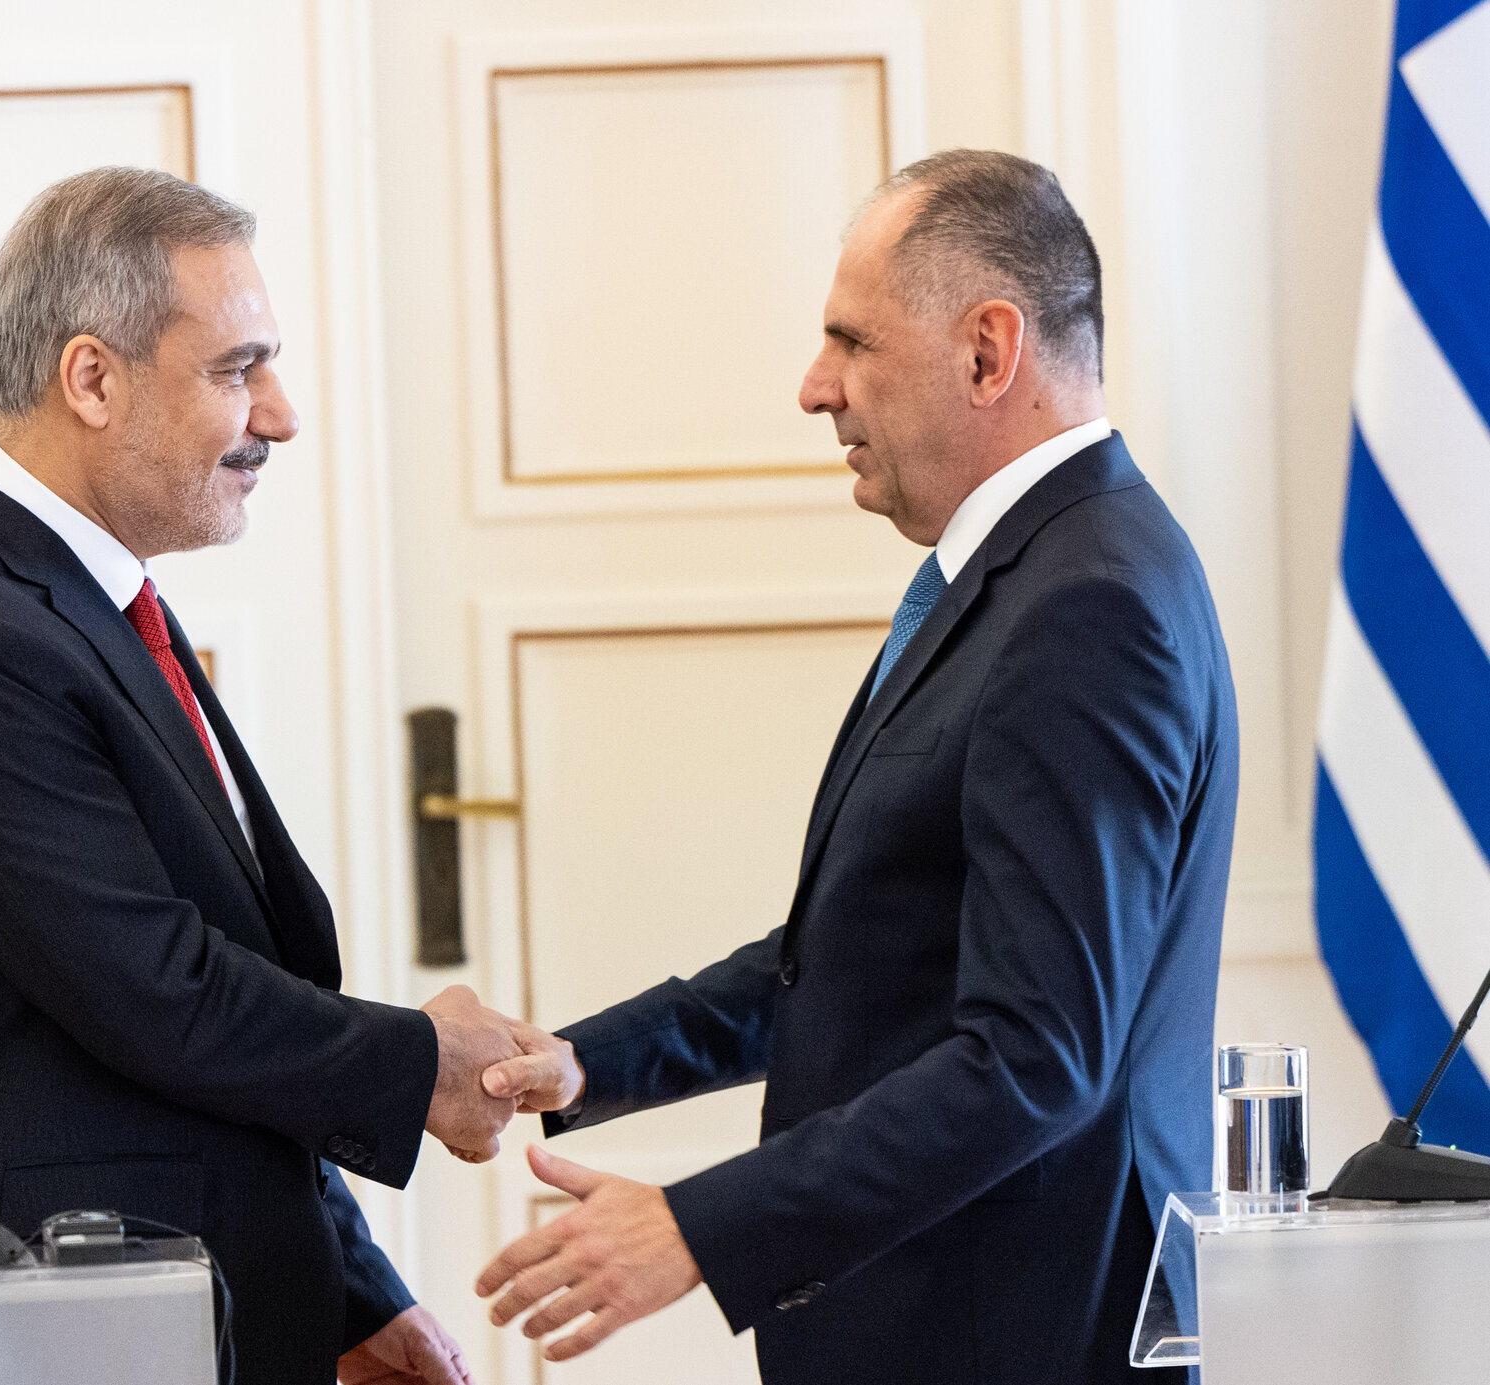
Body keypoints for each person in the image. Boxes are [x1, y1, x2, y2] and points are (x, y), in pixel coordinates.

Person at [474, 149, 1238, 1385]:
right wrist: (579, 1063)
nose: (811, 387)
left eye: (850, 342)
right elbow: (867, 962)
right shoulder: (1040, 572)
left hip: (1013, 1339)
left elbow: (1033, 1059)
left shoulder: (1084, 603)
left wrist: (695, 1228)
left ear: (988, 352)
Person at [0, 167, 521, 1385]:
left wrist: (351, 1288)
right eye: (235, 368)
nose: (282, 414)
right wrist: (419, 1066)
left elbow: (224, 980)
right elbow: (158, 989)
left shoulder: (85, 603)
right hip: (46, 1314)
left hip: (159, 1294)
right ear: (90, 378)